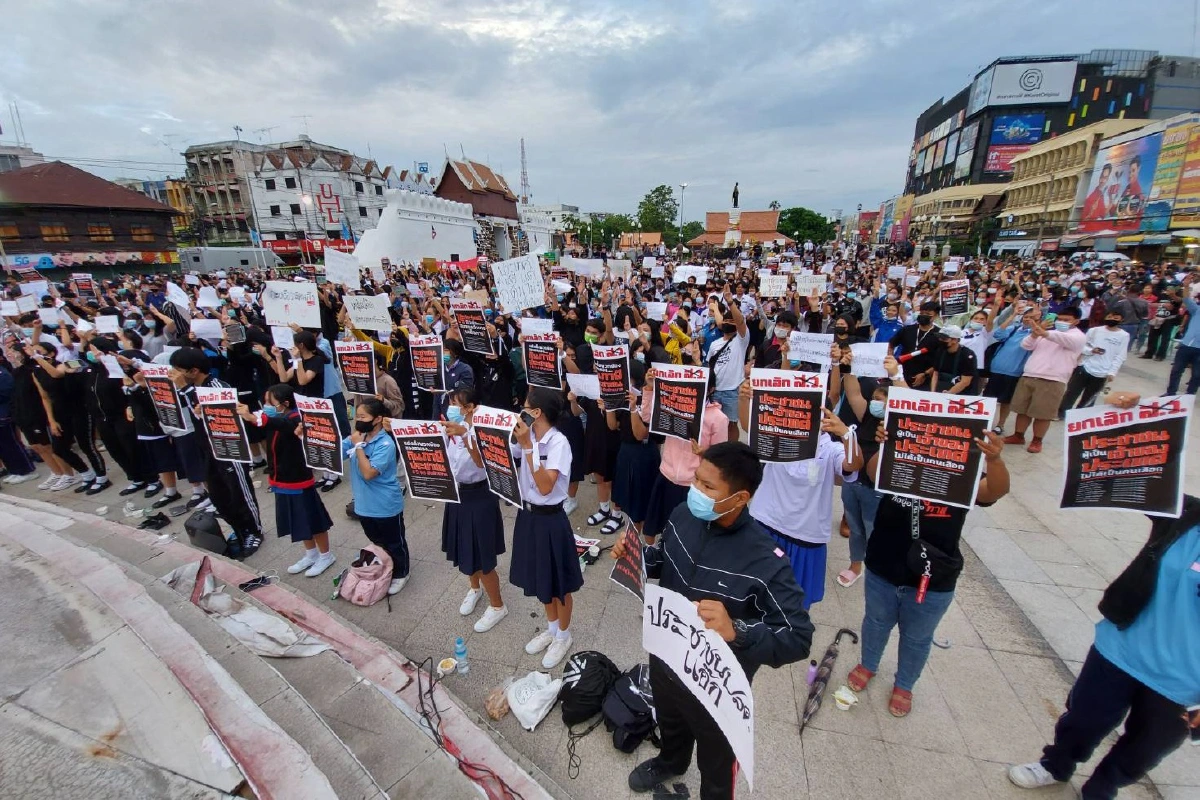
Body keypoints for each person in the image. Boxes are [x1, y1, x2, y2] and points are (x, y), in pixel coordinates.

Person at [1009, 398, 1197, 798]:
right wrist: (1132, 416)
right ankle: (1056, 765)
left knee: (1145, 749)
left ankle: (1103, 787)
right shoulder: (1187, 516)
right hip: (1121, 649)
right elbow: (1140, 471)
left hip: (1184, 685)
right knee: (1083, 719)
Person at [614, 441, 814, 800]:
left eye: (708, 487)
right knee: (670, 721)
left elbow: (798, 636)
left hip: (715, 684)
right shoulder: (682, 515)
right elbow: (662, 557)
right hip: (666, 657)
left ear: (740, 498)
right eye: (696, 480)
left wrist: (737, 630)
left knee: (716, 761)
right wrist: (637, 556)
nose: (696, 492)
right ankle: (672, 761)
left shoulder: (766, 561)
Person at [848, 428, 1009, 717]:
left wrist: (995, 461)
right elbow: (873, 474)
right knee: (875, 622)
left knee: (917, 637)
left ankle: (905, 684)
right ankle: (868, 664)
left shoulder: (961, 474)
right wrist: (887, 446)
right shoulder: (899, 460)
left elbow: (994, 491)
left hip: (934, 577)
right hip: (883, 565)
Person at [738, 378, 863, 609]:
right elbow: (748, 426)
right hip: (765, 526)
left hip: (805, 538)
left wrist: (846, 435)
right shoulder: (777, 435)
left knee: (794, 603)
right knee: (755, 592)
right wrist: (744, 399)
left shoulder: (830, 449)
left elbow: (853, 464)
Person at [510, 387, 583, 669]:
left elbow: (544, 485)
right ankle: (552, 629)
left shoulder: (558, 443)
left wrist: (529, 448)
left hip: (552, 519)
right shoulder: (528, 438)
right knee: (542, 577)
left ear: (536, 413)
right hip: (528, 517)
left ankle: (564, 635)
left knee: (560, 583)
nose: (521, 409)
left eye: (525, 406)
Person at [170, 347, 263, 558]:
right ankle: (239, 530)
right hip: (208, 450)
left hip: (229, 449)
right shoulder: (191, 388)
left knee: (240, 492)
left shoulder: (217, 387)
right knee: (220, 496)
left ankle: (253, 531)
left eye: (179, 370)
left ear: (194, 370)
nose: (175, 375)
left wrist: (185, 389)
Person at [238, 384, 336, 577]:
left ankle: (326, 555)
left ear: (285, 403)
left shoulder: (295, 418)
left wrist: (255, 417)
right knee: (297, 520)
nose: (266, 405)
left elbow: (282, 425)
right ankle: (311, 554)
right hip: (281, 479)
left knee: (313, 520)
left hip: (299, 479)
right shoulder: (275, 418)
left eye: (270, 402)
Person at [442, 387, 508, 632]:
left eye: (456, 403)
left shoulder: (483, 427)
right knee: (464, 547)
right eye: (450, 402)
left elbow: (481, 461)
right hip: (458, 495)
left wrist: (466, 433)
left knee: (482, 555)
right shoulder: (451, 428)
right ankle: (474, 588)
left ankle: (498, 605)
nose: (451, 407)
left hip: (480, 495)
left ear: (470, 407)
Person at [639, 369, 729, 543]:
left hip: (692, 486)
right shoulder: (672, 405)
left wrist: (704, 453)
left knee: (683, 536)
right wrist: (649, 389)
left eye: (700, 386)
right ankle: (651, 560)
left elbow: (721, 458)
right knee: (651, 528)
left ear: (710, 389)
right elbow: (648, 416)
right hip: (666, 476)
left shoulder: (718, 418)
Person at [342, 398, 409, 595]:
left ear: (378, 419)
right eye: (357, 416)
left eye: (363, 416)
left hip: (385, 505)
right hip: (364, 505)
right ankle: (384, 568)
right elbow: (337, 452)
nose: (358, 420)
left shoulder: (386, 443)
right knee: (376, 541)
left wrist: (359, 447)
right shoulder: (358, 437)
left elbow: (369, 473)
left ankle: (401, 572)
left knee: (395, 542)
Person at [1004, 306, 1085, 454]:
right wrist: (1035, 334)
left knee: (1043, 414)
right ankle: (1018, 435)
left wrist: (1044, 332)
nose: (1061, 322)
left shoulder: (1077, 337)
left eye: (1066, 320)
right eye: (1059, 319)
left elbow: (1064, 340)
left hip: (1053, 380)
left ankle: (1037, 440)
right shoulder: (1049, 333)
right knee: (1022, 410)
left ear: (1076, 321)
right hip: (1030, 374)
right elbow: (1026, 345)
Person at [1058, 311, 1128, 417]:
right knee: (1071, 392)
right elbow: (1082, 346)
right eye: (1110, 316)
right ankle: (1061, 413)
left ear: (1121, 320)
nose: (1112, 319)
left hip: (1103, 371)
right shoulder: (1094, 331)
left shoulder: (1124, 335)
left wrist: (1112, 372)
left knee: (1090, 396)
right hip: (1085, 366)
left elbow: (1120, 356)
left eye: (1116, 318)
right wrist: (1091, 351)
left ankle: (1080, 417)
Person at [985, 302, 1040, 435]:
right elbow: (998, 334)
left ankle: (1000, 424)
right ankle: (985, 421)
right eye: (1026, 316)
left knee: (1005, 401)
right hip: (996, 369)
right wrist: (1014, 314)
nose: (1028, 319)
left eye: (1033, 317)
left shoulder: (1036, 335)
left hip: (1014, 373)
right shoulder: (1014, 329)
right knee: (989, 399)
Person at [1167, 278, 1200, 395]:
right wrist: (1186, 287)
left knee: (1197, 375)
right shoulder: (1197, 310)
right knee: (1176, 370)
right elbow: (1186, 299)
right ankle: (1170, 393)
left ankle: (1190, 395)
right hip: (1186, 345)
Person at [929, 325, 979, 395]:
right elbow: (936, 374)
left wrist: (949, 393)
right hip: (942, 389)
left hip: (962, 394)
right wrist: (933, 392)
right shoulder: (940, 351)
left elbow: (965, 382)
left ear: (955, 340)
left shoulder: (967, 355)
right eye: (939, 338)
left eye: (944, 339)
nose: (940, 340)